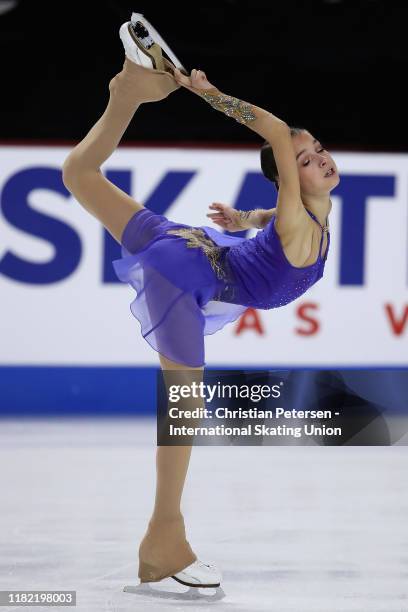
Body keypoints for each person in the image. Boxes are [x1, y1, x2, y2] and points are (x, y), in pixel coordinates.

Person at [62, 12, 340, 593]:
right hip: (186, 272)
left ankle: (127, 94)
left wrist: (246, 219)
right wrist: (212, 97)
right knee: (184, 399)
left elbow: (275, 212)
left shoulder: (309, 213)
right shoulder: (298, 211)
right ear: (288, 176)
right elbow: (276, 131)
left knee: (79, 173)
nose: (319, 158)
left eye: (318, 150)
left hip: (182, 244)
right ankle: (166, 537)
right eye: (304, 157)